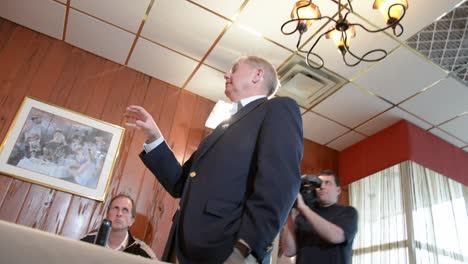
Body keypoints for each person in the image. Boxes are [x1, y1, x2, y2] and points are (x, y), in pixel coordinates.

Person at [124, 56, 304, 264]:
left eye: (234, 69)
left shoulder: (278, 109)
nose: (226, 74)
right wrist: (155, 137)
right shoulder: (221, 129)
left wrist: (245, 250)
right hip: (182, 246)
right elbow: (180, 184)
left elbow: (280, 184)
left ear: (258, 75)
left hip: (226, 250)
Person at [280, 170, 358, 264]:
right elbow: (288, 251)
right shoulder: (301, 217)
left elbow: (336, 237)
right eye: (318, 184)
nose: (321, 186)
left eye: (327, 183)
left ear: (338, 190)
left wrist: (304, 208)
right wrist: (290, 211)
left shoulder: (348, 212)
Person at [81, 194, 156, 259]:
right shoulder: (86, 242)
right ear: (107, 216)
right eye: (115, 208)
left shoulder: (143, 252)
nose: (119, 213)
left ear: (131, 221)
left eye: (125, 210)